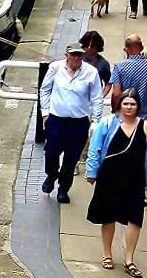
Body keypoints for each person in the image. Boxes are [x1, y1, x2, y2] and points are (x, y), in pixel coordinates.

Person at [85, 90, 147, 278]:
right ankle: (107, 254)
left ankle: (129, 259)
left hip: (135, 179)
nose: (129, 107)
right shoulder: (108, 123)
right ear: (120, 105)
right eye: (126, 104)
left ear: (138, 106)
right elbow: (95, 148)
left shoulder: (145, 127)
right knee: (108, 215)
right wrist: (92, 171)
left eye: (133, 104)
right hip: (110, 176)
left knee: (135, 218)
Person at [39, 43, 105, 202]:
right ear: (66, 55)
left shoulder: (91, 72)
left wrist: (95, 121)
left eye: (79, 55)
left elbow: (96, 98)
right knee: (51, 152)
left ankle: (63, 188)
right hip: (56, 120)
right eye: (73, 54)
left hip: (78, 123)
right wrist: (45, 113)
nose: (76, 58)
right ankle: (51, 175)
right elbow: (45, 89)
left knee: (71, 158)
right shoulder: (55, 68)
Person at [109, 34, 147, 127]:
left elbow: (116, 94)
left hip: (125, 117)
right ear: (142, 48)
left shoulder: (119, 67)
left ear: (126, 49)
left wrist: (116, 110)